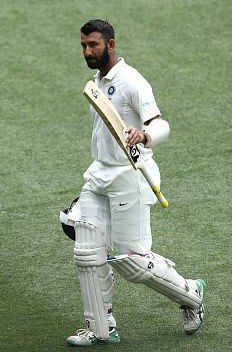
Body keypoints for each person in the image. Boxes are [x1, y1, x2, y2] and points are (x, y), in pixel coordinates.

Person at [65, 19, 206, 346]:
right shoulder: (97, 82)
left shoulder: (131, 81)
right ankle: (100, 328)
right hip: (99, 173)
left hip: (129, 175)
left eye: (93, 45)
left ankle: (193, 295)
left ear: (111, 45)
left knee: (133, 261)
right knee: (87, 251)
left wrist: (144, 134)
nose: (87, 51)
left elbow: (162, 124)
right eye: (84, 45)